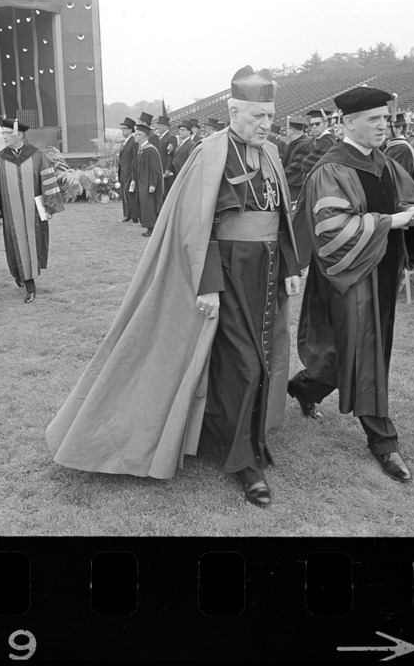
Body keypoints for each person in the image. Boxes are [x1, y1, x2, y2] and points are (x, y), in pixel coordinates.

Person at [46, 66, 300, 508]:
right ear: (233, 110)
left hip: (268, 270)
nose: (266, 125)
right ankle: (243, 461)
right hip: (225, 272)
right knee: (245, 363)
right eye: (258, 116)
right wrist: (206, 283)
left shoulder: (273, 152)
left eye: (270, 116)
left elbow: (279, 215)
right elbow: (193, 227)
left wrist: (292, 264)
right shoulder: (209, 152)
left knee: (262, 355)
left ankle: (244, 438)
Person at [290, 86, 414, 483]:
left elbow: (399, 199)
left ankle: (304, 387)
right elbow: (333, 230)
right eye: (374, 119)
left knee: (353, 348)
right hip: (348, 274)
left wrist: (410, 213)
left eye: (386, 118)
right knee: (365, 350)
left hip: (380, 272)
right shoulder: (332, 167)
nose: (384, 125)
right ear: (349, 122)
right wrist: (394, 221)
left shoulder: (382, 163)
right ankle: (383, 440)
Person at [0, 119, 64, 304]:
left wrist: (49, 208)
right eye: (2, 134)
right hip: (11, 214)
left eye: (6, 133)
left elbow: (48, 181)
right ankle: (20, 274)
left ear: (18, 135)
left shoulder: (36, 156)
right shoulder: (0, 159)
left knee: (32, 245)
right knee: (15, 246)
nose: (3, 137)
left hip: (33, 213)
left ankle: (30, 285)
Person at [129, 121, 163, 237]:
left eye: (137, 134)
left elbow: (155, 169)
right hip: (141, 182)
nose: (135, 136)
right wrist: (134, 180)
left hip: (148, 183)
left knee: (149, 204)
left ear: (143, 135)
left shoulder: (150, 150)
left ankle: (152, 227)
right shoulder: (141, 149)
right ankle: (148, 226)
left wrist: (153, 183)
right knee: (143, 204)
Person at [280, 118, 314, 205]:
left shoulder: (305, 144)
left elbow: (296, 165)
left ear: (293, 130)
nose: (285, 130)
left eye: (287, 128)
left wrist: (280, 173)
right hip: (288, 183)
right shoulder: (293, 143)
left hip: (295, 185)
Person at [117, 117, 138, 223]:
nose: (122, 130)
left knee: (130, 194)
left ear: (130, 130)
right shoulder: (124, 142)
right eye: (122, 128)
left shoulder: (133, 141)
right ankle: (127, 214)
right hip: (123, 172)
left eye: (125, 128)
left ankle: (134, 216)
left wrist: (133, 174)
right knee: (124, 193)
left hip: (130, 172)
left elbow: (134, 158)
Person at [383, 111, 414, 176]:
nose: (385, 129)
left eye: (389, 126)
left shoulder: (402, 149)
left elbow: (393, 174)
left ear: (400, 128)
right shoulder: (391, 145)